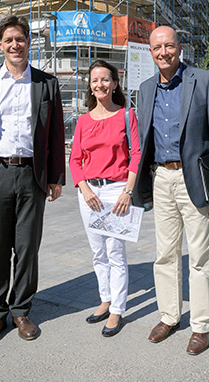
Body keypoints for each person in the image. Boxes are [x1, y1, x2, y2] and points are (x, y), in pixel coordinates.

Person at [132, 25, 209, 356]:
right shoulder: (145, 89)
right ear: (151, 52)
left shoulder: (203, 80)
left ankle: (202, 325)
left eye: (169, 46)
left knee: (201, 255)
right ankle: (169, 316)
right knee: (165, 253)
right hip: (161, 178)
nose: (164, 52)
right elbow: (141, 139)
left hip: (197, 179)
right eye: (157, 48)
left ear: (180, 47)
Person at [0, 14, 65, 347]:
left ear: (28, 43)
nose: (14, 45)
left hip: (33, 175)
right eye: (8, 40)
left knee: (27, 249)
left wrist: (55, 177)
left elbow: (55, 134)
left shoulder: (46, 84)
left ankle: (21, 310)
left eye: (20, 39)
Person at [69, 60, 141, 337]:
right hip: (89, 192)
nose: (100, 84)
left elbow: (136, 155)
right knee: (97, 252)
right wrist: (84, 189)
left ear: (114, 84)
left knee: (115, 253)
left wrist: (128, 191)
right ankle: (105, 299)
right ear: (90, 85)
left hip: (117, 191)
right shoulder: (84, 120)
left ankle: (117, 310)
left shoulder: (126, 115)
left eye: (105, 79)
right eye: (95, 80)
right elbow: (75, 159)